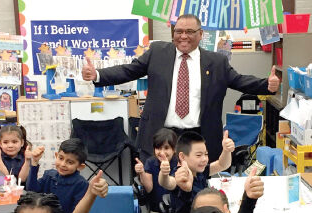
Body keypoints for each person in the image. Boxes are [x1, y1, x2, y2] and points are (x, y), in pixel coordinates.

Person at [81, 14, 280, 162]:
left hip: (198, 138)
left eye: (190, 32)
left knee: (195, 192)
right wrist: (98, 75)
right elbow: (129, 70)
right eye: (178, 31)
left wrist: (267, 85)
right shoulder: (157, 52)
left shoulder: (216, 61)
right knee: (158, 191)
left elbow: (239, 80)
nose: (183, 36)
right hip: (161, 136)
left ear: (201, 34)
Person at [26, 138, 89, 213]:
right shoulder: (49, 175)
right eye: (61, 158)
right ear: (56, 155)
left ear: (80, 166)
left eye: (70, 162)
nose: (63, 164)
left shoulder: (81, 184)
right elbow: (31, 191)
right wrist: (34, 163)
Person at [159, 131, 234, 205]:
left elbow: (222, 165)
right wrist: (164, 173)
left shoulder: (200, 170)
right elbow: (167, 182)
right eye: (198, 155)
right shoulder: (180, 174)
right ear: (182, 156)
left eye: (206, 154)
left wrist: (226, 151)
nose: (204, 159)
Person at [134, 128, 178, 213]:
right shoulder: (150, 162)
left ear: (174, 149)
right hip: (156, 210)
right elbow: (149, 188)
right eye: (158, 148)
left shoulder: (179, 163)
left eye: (166, 148)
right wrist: (142, 172)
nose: (162, 152)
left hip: (175, 212)